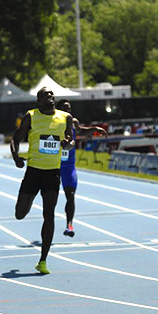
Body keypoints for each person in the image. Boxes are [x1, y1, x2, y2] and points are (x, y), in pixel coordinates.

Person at [10, 87, 74, 274]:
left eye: (52, 94)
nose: (50, 97)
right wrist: (16, 157)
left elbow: (70, 140)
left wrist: (67, 144)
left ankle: (43, 260)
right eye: (45, 95)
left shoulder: (65, 118)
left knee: (49, 215)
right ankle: (28, 202)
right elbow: (16, 138)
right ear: (38, 101)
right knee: (20, 213)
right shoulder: (31, 116)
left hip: (52, 173)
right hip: (33, 172)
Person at [56, 99, 108, 237]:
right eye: (64, 109)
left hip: (68, 166)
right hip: (53, 165)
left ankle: (69, 225)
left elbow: (80, 130)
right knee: (50, 197)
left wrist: (94, 129)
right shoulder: (52, 122)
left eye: (69, 109)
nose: (68, 112)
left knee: (71, 196)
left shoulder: (73, 122)